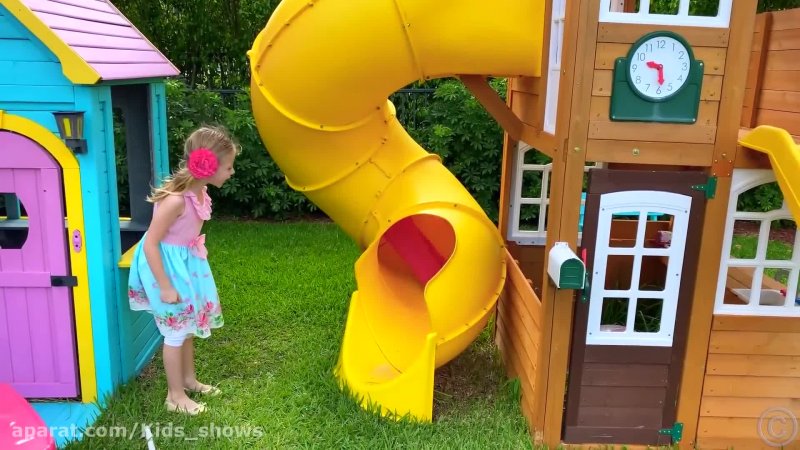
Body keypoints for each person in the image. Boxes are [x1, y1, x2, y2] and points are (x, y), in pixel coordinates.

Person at [127, 125, 239, 415]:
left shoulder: (199, 194)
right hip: (164, 270)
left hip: (185, 265)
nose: (232, 172)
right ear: (209, 166)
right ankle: (174, 396)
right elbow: (151, 244)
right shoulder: (176, 201)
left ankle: (188, 380)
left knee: (187, 325)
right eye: (228, 167)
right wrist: (165, 286)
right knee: (175, 331)